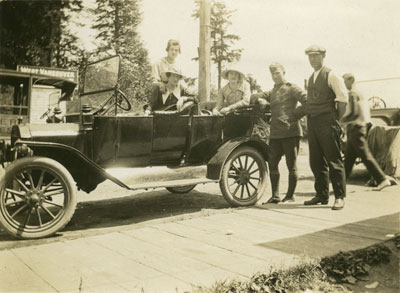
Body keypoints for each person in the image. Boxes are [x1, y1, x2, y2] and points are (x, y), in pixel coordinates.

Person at [252, 63, 307, 203]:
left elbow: (308, 101)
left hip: (290, 131)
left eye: (278, 73)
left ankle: (290, 196)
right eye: (272, 74)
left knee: (291, 165)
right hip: (276, 133)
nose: (275, 76)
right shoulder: (273, 91)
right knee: (272, 163)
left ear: (284, 72)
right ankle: (275, 196)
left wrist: (295, 115)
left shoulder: (292, 87)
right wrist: (260, 99)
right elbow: (254, 96)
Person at [303, 45, 348, 210]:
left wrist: (338, 121)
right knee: (316, 161)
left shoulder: (332, 75)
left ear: (323, 56)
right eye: (310, 56)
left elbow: (343, 100)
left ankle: (339, 196)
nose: (313, 59)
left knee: (334, 160)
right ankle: (321, 195)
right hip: (313, 123)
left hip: (328, 123)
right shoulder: (311, 76)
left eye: (316, 56)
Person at [341, 73, 391, 191]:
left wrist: (341, 121)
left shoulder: (352, 94)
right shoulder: (360, 93)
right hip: (358, 127)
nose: (343, 84)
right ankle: (340, 185)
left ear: (351, 80)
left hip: (356, 128)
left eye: (344, 81)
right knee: (348, 159)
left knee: (365, 156)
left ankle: (382, 179)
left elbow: (354, 113)